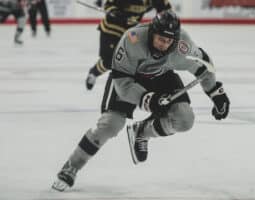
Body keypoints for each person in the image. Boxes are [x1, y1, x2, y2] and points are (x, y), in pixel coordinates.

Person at [52, 10, 230, 192]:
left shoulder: (181, 46)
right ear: (152, 33)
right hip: (129, 79)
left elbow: (204, 66)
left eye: (169, 41)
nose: (164, 45)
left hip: (161, 76)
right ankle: (72, 165)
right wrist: (147, 98)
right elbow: (121, 81)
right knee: (110, 125)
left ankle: (142, 131)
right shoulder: (132, 39)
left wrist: (215, 92)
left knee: (185, 120)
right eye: (161, 39)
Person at [85, 0, 172, 90]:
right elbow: (109, 5)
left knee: (138, 53)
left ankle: (132, 85)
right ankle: (94, 73)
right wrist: (116, 13)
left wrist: (166, 21)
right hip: (112, 29)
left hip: (131, 31)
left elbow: (166, 12)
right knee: (109, 61)